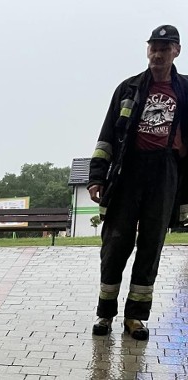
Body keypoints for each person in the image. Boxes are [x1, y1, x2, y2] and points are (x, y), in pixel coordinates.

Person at [88, 25, 188, 340]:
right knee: (115, 244)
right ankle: (105, 314)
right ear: (147, 51)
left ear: (177, 51)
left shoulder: (185, 90)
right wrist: (96, 177)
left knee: (150, 247)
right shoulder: (128, 89)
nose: (158, 53)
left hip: (165, 174)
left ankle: (136, 318)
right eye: (153, 47)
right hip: (127, 173)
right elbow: (107, 136)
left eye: (165, 47)